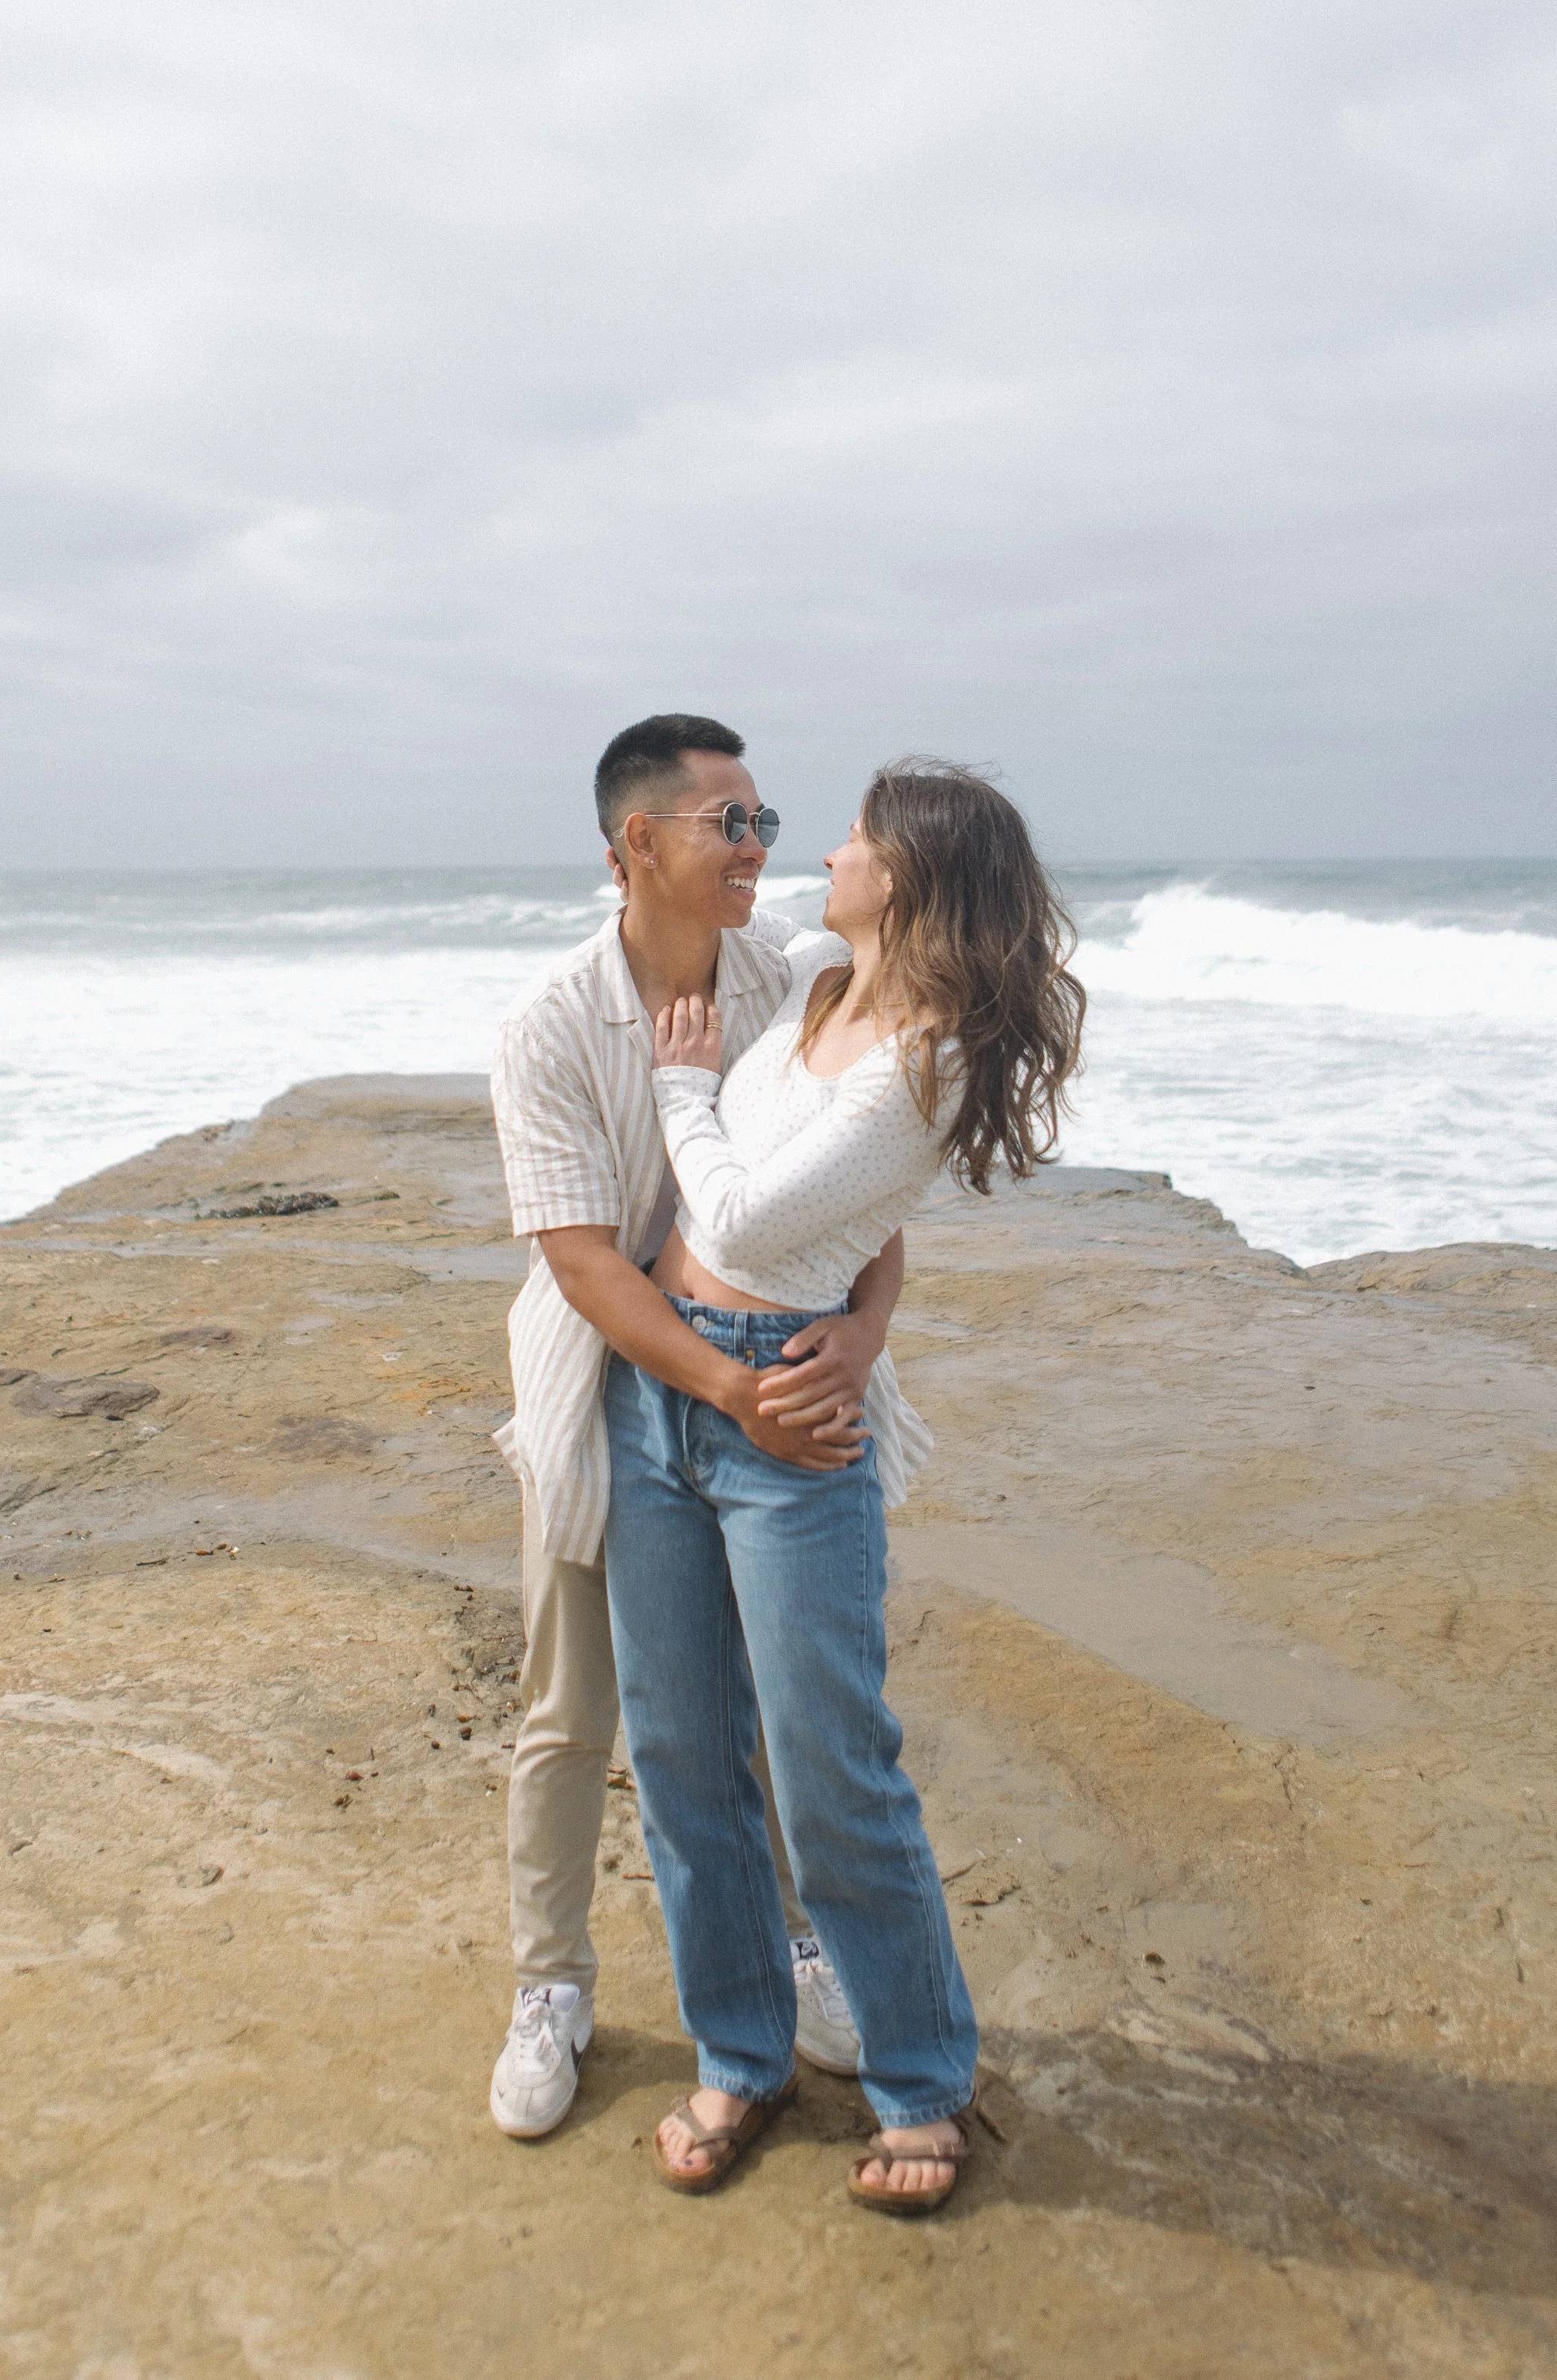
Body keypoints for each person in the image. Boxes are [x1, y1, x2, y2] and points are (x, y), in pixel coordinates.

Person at [601, 759, 1085, 2212]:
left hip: (786, 1412)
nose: (827, 849)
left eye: (859, 839)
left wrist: (685, 1087)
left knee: (830, 1773)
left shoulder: (924, 1060)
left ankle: (922, 2077)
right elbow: (684, 924)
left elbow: (746, 1207)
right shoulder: (820, 975)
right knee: (686, 1756)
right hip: (662, 1388)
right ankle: (743, 2052)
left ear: (914, 877)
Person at [486, 713, 907, 2138]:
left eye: (765, 819)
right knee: (579, 1707)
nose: (759, 845)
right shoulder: (549, 1021)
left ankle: (787, 1945)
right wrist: (722, 1389)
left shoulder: (788, 968)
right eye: (730, 822)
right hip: (606, 1375)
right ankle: (550, 1984)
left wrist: (862, 1333)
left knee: (772, 1697)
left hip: (776, 1361)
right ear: (636, 846)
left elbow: (874, 1175)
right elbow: (583, 1259)